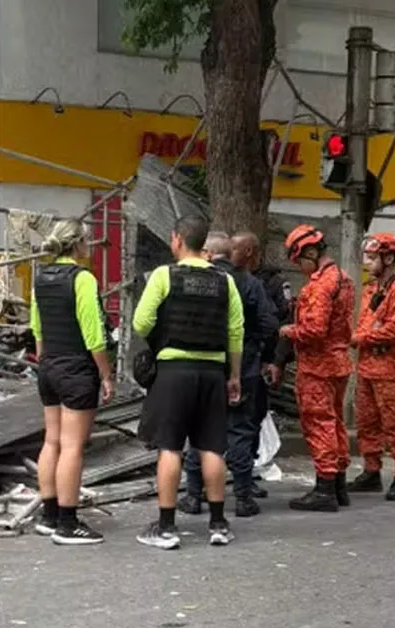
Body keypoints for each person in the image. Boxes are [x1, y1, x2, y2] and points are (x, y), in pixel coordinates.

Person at [133, 215, 244, 550]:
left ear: (177, 239)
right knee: (211, 446)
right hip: (212, 372)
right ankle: (218, 524)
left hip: (173, 371)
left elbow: (141, 322)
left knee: (170, 447)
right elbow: (236, 331)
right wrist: (234, 375)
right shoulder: (226, 282)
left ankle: (166, 527)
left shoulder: (164, 276)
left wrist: (162, 337)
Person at [29, 219, 115, 545]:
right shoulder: (83, 280)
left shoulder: (40, 278)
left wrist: (45, 361)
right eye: (87, 241)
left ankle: (48, 515)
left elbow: (36, 327)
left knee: (51, 441)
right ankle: (68, 522)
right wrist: (106, 374)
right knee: (73, 447)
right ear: (78, 244)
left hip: (48, 364)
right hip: (76, 368)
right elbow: (94, 334)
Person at [179, 231, 276, 518]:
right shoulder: (250, 283)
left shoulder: (193, 281)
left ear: (207, 253)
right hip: (243, 367)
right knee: (240, 430)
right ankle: (244, 497)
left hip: (202, 367)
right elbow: (269, 322)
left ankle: (194, 496)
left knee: (200, 431)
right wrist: (253, 347)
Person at [270, 224, 354, 512]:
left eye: (300, 261)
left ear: (310, 252)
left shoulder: (320, 286)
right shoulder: (344, 279)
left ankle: (325, 489)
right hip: (339, 363)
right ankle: (339, 485)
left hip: (318, 367)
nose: (300, 267)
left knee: (320, 425)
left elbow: (314, 330)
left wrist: (288, 330)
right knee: (335, 423)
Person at [347, 233, 395, 501]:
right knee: (367, 423)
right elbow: (368, 324)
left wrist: (359, 338)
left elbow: (393, 331)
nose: (367, 263)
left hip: (390, 370)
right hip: (367, 368)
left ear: (388, 258)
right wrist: (365, 335)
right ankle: (371, 470)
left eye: (373, 257)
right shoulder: (371, 291)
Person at [249, 233, 293, 500]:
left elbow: (283, 325)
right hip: (242, 360)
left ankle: (251, 469)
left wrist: (276, 361)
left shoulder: (274, 283)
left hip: (259, 360)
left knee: (254, 416)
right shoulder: (233, 278)